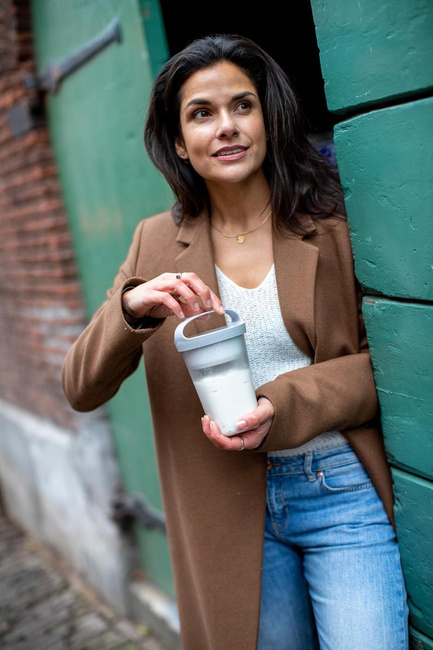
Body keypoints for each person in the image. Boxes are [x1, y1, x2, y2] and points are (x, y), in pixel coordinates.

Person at [62, 34, 410, 650]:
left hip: (340, 492)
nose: (226, 127)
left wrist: (282, 402)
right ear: (177, 142)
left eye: (242, 106)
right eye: (202, 113)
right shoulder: (154, 244)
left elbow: (386, 363)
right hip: (226, 510)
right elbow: (81, 388)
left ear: (267, 119)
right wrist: (132, 309)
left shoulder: (332, 223)